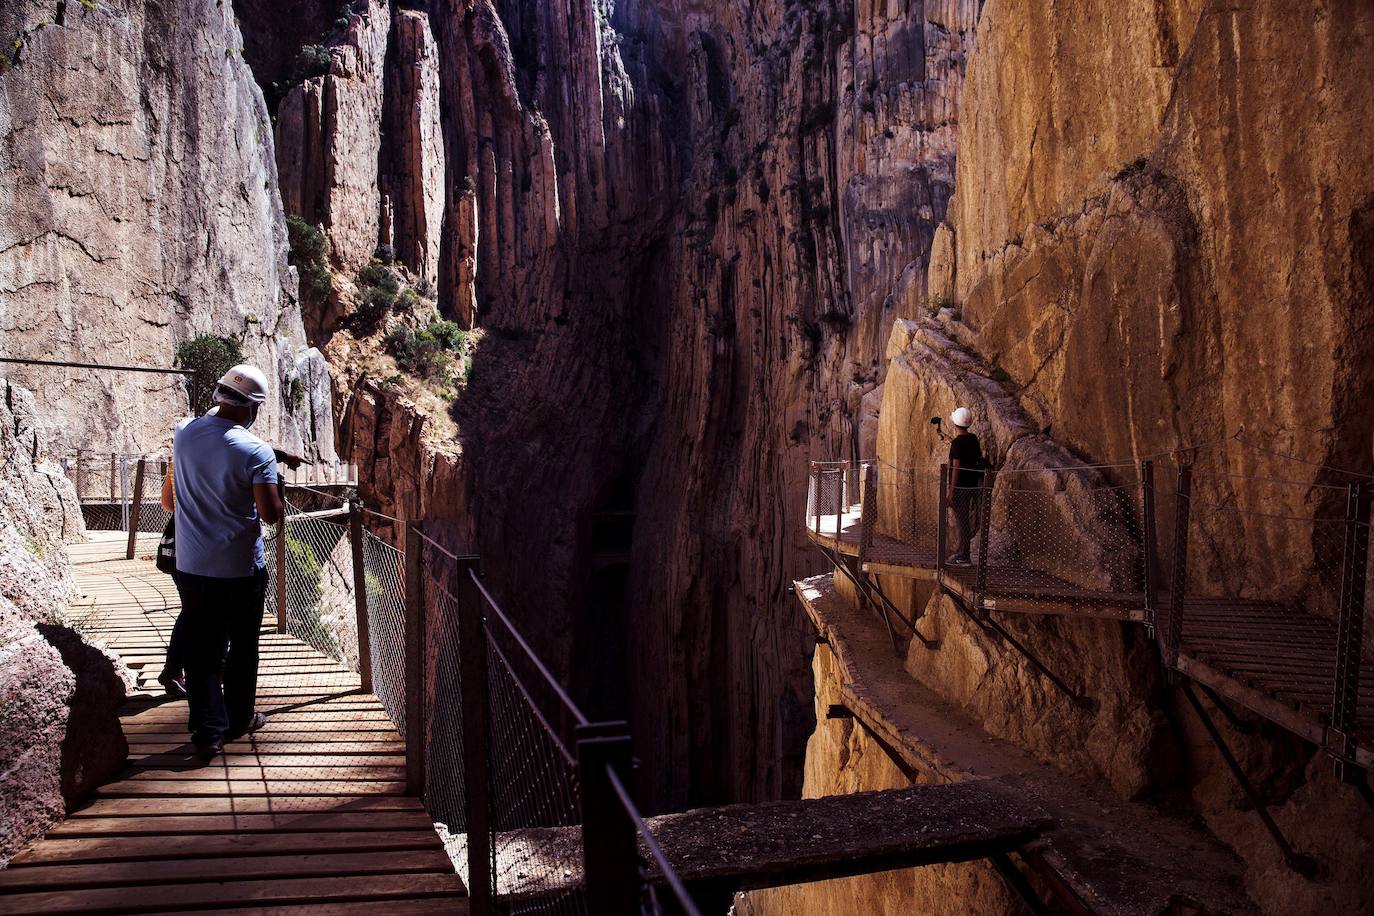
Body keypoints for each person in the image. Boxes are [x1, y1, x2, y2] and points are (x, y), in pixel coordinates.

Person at [170, 364, 298, 760]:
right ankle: (239, 718)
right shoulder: (256, 452)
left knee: (201, 649)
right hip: (240, 567)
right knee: (243, 646)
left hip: (191, 564)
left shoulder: (183, 435)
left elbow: (206, 462)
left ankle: (207, 731)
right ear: (253, 408)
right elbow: (270, 513)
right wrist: (272, 475)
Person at [941, 406, 985, 564]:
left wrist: (951, 491)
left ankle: (963, 555)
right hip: (973, 485)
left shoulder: (957, 445)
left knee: (962, 521)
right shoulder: (973, 439)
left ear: (955, 424)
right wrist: (949, 440)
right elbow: (965, 449)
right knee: (965, 520)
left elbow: (957, 467)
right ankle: (963, 553)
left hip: (960, 487)